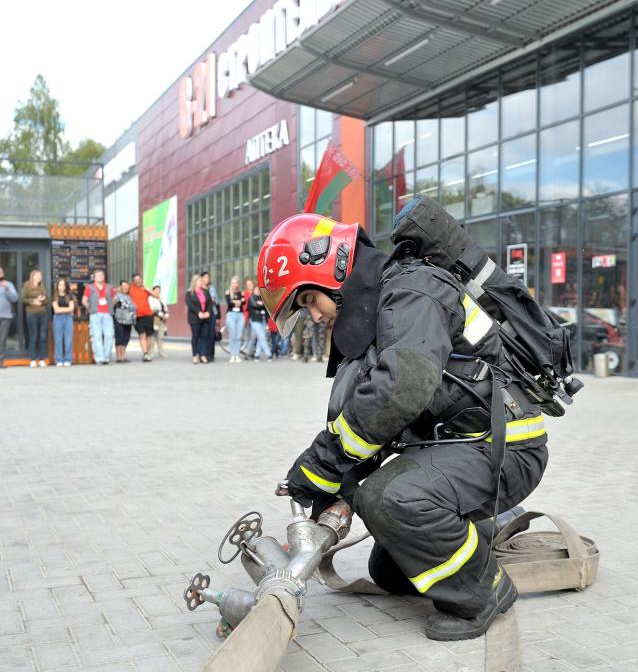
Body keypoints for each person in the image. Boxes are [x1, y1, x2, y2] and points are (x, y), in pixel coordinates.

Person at [257, 206, 548, 641]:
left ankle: (483, 593)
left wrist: (324, 463)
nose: (314, 317)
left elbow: (399, 392)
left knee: (390, 500)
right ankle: (479, 530)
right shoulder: (381, 308)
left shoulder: (414, 291)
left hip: (503, 446)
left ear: (331, 267)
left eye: (307, 299)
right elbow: (369, 417)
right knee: (389, 570)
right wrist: (332, 488)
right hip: (455, 444)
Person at [82, 270, 115, 365]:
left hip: (107, 313)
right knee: (97, 336)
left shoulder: (109, 287)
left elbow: (113, 299)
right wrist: (90, 308)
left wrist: (110, 307)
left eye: (102, 275)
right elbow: (84, 300)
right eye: (98, 275)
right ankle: (99, 357)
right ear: (94, 277)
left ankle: (106, 356)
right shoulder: (90, 287)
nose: (101, 276)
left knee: (109, 335)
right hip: (95, 314)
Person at [20, 269, 49, 367]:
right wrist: (33, 301)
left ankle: (41, 359)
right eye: (38, 275)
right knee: (34, 336)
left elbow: (47, 300)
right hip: (32, 314)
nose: (40, 277)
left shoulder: (42, 287)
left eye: (40, 276)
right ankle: (32, 359)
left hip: (43, 313)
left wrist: (42, 301)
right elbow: (23, 298)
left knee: (43, 336)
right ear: (33, 276)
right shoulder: (27, 286)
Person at [129, 273, 160, 362]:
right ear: (133, 281)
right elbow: (119, 290)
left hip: (148, 315)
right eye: (136, 280)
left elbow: (157, 296)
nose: (138, 281)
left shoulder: (146, 289)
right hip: (137, 317)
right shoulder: (130, 288)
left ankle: (147, 353)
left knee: (149, 336)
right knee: (142, 335)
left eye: (139, 279)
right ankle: (145, 353)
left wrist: (147, 288)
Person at [186, 274, 214, 364]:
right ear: (195, 282)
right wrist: (199, 313)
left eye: (202, 281)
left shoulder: (205, 291)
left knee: (204, 337)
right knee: (195, 337)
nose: (201, 282)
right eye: (200, 281)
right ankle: (195, 355)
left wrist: (208, 312)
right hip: (195, 318)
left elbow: (210, 303)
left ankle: (202, 355)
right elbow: (190, 305)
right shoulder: (189, 293)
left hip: (206, 318)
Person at [246, 280, 272, 362]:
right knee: (262, 337)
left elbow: (266, 308)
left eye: (259, 290)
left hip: (263, 320)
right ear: (253, 290)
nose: (257, 291)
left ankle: (257, 355)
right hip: (254, 320)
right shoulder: (251, 298)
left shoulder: (262, 298)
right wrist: (260, 305)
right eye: (256, 290)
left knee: (260, 338)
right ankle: (269, 354)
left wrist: (261, 305)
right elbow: (254, 305)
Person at [51, 278, 75, 367]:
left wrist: (63, 310)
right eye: (60, 285)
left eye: (63, 285)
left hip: (68, 319)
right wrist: (67, 309)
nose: (62, 287)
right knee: (58, 339)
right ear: (57, 286)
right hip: (58, 319)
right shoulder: (54, 296)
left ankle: (68, 359)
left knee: (68, 340)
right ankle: (59, 359)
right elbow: (56, 310)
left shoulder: (69, 296)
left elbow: (72, 308)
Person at [112, 280, 136, 363]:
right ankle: (119, 357)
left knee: (126, 338)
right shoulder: (117, 296)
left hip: (128, 321)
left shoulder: (130, 296)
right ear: (120, 287)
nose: (126, 287)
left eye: (127, 286)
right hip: (119, 320)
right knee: (119, 338)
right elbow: (112, 304)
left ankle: (123, 356)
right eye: (124, 286)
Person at [224, 276, 246, 363]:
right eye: (233, 282)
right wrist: (238, 301)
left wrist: (235, 301)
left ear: (238, 284)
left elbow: (243, 303)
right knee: (232, 336)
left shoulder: (241, 292)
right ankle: (232, 355)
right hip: (231, 315)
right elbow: (229, 303)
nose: (234, 284)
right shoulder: (228, 292)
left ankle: (237, 355)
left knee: (238, 336)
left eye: (236, 283)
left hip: (240, 315)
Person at [201, 270, 220, 362]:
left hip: (212, 313)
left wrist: (218, 317)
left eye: (208, 277)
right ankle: (203, 354)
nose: (206, 279)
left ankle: (211, 354)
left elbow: (216, 302)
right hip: (203, 314)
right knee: (204, 334)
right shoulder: (199, 289)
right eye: (204, 277)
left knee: (212, 334)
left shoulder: (212, 288)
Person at [149, 285, 169, 359]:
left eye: (159, 290)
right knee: (153, 336)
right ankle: (150, 352)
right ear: (153, 291)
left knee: (161, 336)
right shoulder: (151, 298)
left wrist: (166, 314)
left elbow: (166, 308)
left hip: (162, 320)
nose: (158, 291)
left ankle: (161, 351)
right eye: (156, 290)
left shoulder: (162, 299)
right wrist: (158, 313)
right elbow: (151, 308)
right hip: (154, 319)